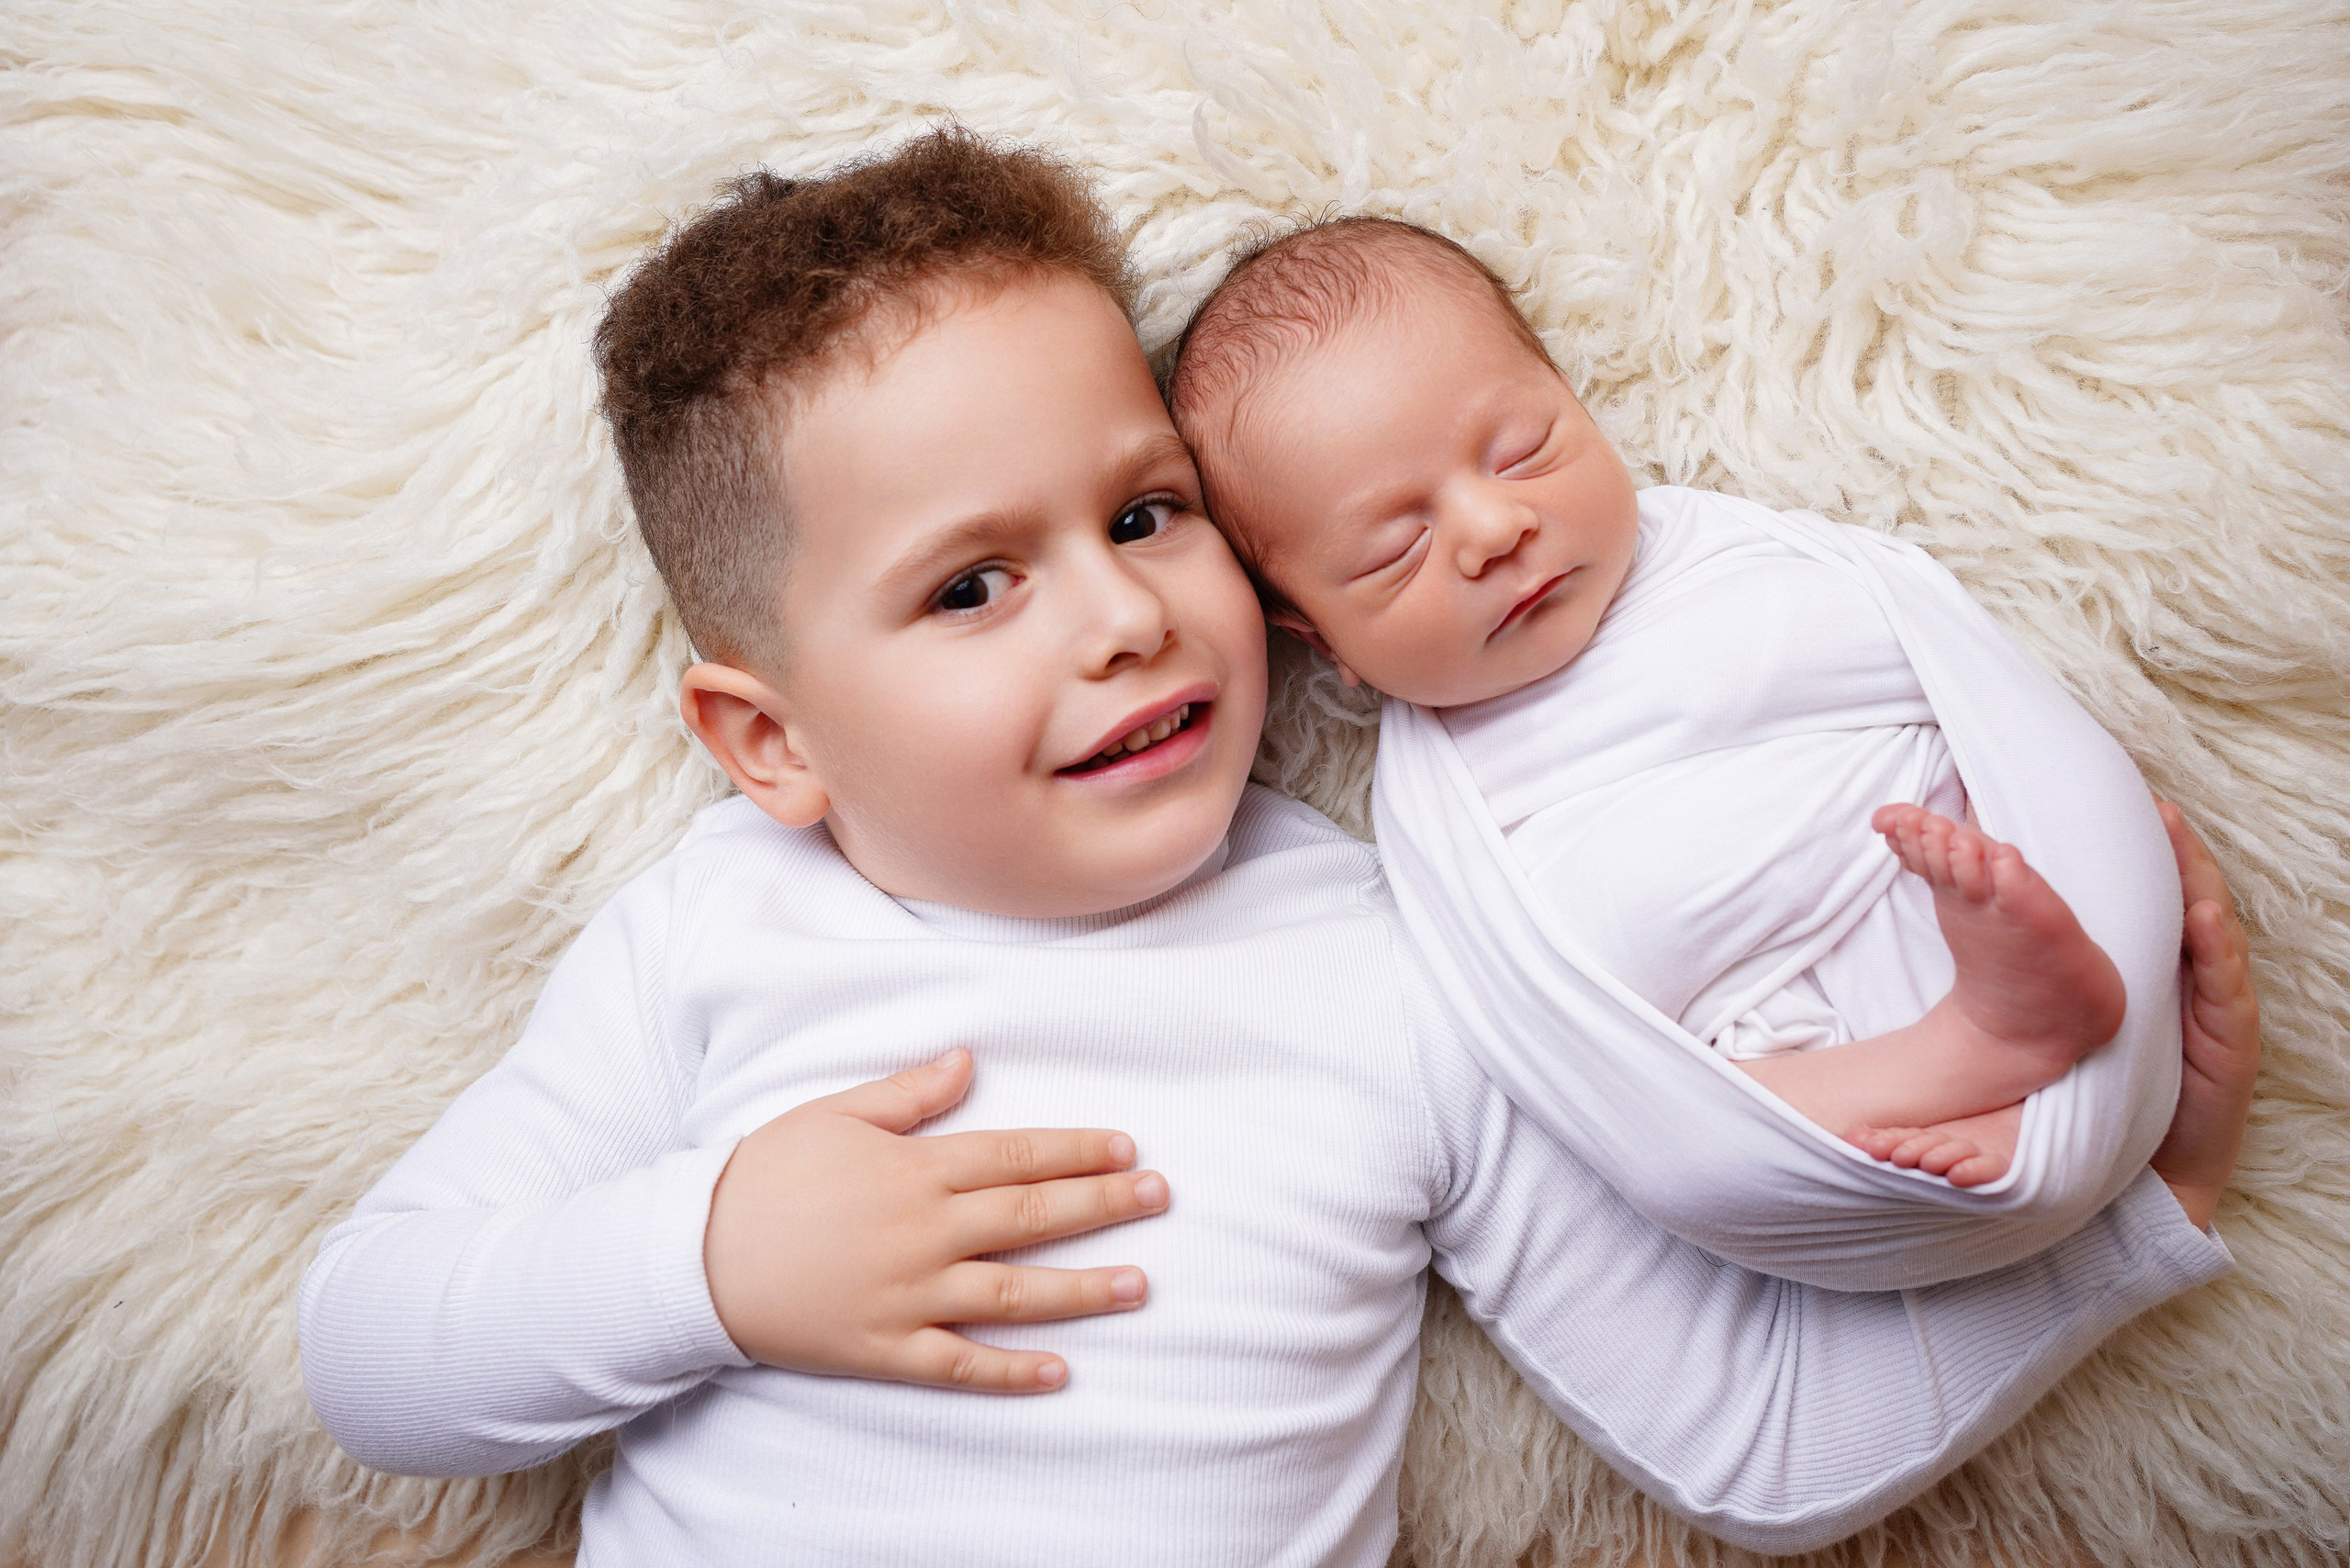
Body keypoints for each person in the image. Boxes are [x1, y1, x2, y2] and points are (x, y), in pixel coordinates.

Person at [297, 130, 2256, 1566]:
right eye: (973, 581)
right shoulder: (717, 932)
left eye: (1146, 516)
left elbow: (1740, 1434)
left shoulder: (1409, 962)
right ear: (770, 737)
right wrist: (711, 1258)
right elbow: (377, 1346)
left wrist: (2134, 1203)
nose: (1120, 616)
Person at [1166, 217, 2213, 1288]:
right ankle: (1967, 1055)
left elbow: (1954, 680)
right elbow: (1555, 1030)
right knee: (1696, 1158)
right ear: (1321, 641)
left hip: (1949, 890)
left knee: (2072, 831)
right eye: (1397, 548)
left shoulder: (1730, 562)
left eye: (1522, 449)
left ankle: (2024, 1053)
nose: (1492, 527)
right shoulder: (1435, 816)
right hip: (1797, 1068)